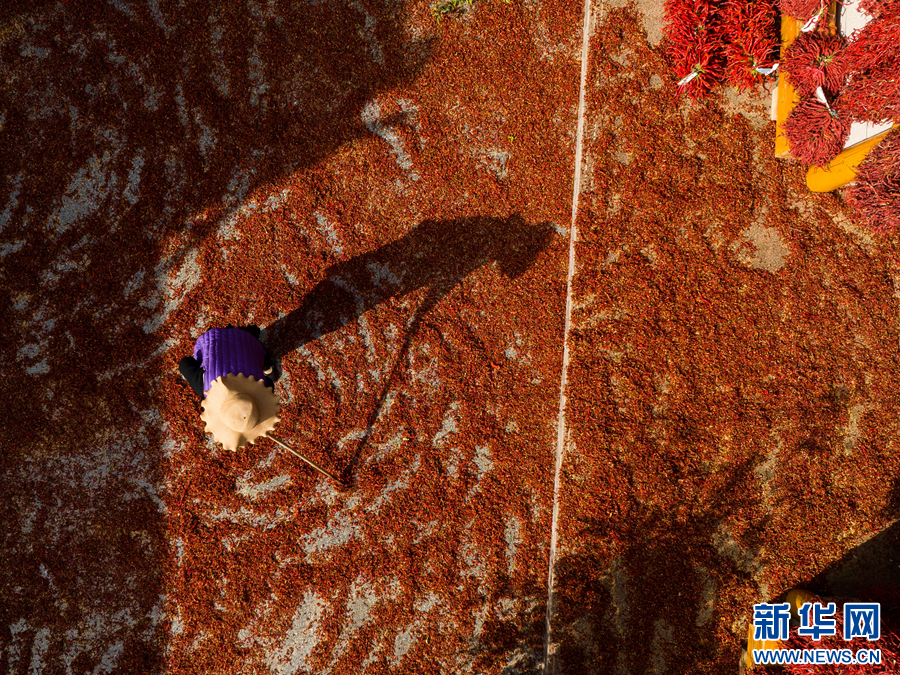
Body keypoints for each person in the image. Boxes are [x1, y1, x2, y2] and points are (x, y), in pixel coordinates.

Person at [178, 324, 281, 451]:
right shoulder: (203, 386)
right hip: (215, 338)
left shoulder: (262, 385)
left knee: (256, 349)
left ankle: (266, 366)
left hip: (246, 339)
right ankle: (265, 364)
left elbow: (269, 385)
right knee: (250, 343)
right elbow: (184, 363)